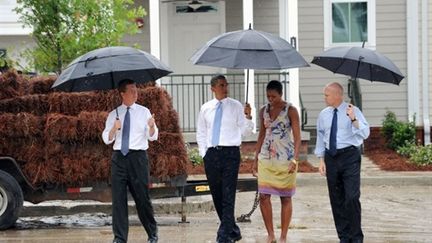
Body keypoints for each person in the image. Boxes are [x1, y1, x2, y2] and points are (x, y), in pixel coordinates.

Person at [196, 75, 254, 243]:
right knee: (217, 194)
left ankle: (224, 236)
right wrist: (203, 153)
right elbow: (201, 132)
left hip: (230, 154)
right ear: (213, 88)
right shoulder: (206, 108)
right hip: (212, 154)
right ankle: (232, 230)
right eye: (221, 85)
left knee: (228, 194)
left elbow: (245, 132)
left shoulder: (236, 106)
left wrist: (248, 117)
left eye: (226, 84)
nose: (225, 87)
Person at [102, 79, 159, 243]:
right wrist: (114, 128)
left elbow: (153, 136)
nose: (136, 93)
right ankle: (119, 238)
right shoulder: (114, 114)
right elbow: (106, 138)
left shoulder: (144, 111)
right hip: (119, 158)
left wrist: (152, 126)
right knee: (118, 200)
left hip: (138, 158)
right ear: (122, 94)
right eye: (132, 90)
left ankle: (152, 233)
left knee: (142, 197)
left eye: (136, 90)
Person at [315, 82, 370, 243]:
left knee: (351, 197)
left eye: (327, 95)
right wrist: (321, 160)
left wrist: (353, 119)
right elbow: (321, 137)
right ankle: (344, 237)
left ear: (338, 95)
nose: (324, 97)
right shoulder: (323, 114)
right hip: (331, 158)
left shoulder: (353, 110)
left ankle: (356, 238)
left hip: (349, 157)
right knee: (336, 199)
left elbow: (365, 133)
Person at [252, 80, 301, 243]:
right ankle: (271, 234)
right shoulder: (263, 111)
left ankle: (283, 236)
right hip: (266, 158)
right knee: (264, 196)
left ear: (280, 94)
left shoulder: (291, 110)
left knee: (285, 197)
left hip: (285, 159)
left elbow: (298, 137)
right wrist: (255, 158)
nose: (270, 99)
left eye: (273, 96)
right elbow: (261, 135)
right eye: (268, 96)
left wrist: (295, 159)